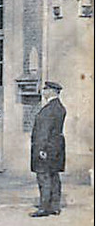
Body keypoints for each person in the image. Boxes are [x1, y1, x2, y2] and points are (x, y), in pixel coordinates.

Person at [30, 81, 66, 217]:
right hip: (57, 147)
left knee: (44, 177)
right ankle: (55, 206)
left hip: (46, 147)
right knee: (54, 176)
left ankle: (44, 208)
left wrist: (41, 149)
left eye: (45, 89)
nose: (43, 91)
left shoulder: (49, 109)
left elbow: (44, 131)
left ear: (51, 91)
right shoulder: (59, 107)